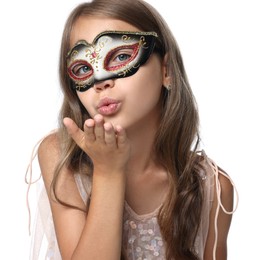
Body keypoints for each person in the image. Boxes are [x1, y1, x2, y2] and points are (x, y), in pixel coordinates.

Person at [26, 0, 238, 259]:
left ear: (166, 70)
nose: (101, 82)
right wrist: (108, 171)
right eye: (83, 68)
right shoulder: (62, 157)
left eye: (122, 56)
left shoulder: (211, 188)